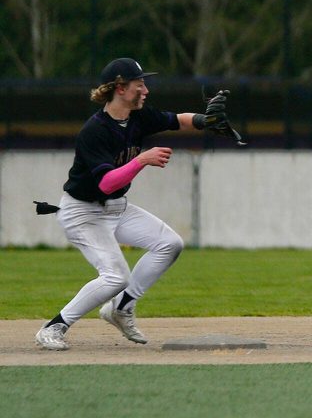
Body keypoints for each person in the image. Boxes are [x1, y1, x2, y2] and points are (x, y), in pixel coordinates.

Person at [34, 58, 234, 351]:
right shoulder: (95, 130)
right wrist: (141, 160)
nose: (145, 90)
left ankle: (121, 307)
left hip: (115, 208)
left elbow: (177, 120)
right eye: (139, 84)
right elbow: (105, 184)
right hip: (83, 213)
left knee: (170, 243)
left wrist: (206, 121)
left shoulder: (137, 117)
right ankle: (54, 327)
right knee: (115, 276)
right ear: (120, 88)